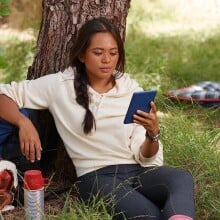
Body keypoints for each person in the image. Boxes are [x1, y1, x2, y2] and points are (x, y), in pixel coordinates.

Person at [0, 17, 195, 220]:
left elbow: (146, 157)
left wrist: (152, 134)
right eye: (98, 52)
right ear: (82, 55)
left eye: (113, 53)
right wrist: (23, 122)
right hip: (97, 178)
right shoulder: (61, 85)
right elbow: (4, 95)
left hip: (138, 171)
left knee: (180, 178)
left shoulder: (130, 88)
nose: (107, 60)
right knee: (149, 215)